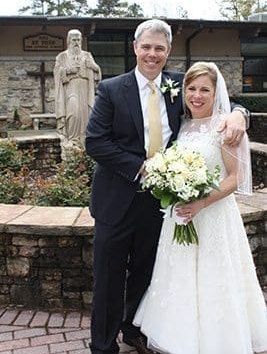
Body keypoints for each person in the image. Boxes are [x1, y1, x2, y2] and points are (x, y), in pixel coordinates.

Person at [85, 19, 249, 354]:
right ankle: (102, 346)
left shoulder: (180, 85)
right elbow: (95, 142)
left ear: (168, 52)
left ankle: (134, 329)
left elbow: (216, 100)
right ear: (135, 48)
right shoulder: (112, 89)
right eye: (146, 46)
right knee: (108, 276)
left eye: (159, 48)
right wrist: (144, 169)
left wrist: (240, 115)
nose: (152, 54)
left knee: (146, 271)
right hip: (116, 199)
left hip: (160, 203)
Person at [134, 62, 267, 354]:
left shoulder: (226, 126)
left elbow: (235, 179)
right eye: (191, 89)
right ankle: (181, 336)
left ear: (216, 92)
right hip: (181, 215)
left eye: (204, 89)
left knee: (215, 276)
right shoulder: (182, 125)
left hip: (213, 216)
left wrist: (201, 202)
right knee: (180, 276)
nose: (196, 95)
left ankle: (218, 340)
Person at [54, 29, 101, 158]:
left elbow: (97, 71)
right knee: (73, 113)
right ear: (69, 40)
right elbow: (57, 73)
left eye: (79, 40)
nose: (76, 43)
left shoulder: (87, 55)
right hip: (70, 89)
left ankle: (84, 140)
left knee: (85, 114)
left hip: (86, 89)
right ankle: (72, 140)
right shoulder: (62, 56)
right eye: (74, 40)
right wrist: (68, 70)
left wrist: (92, 66)